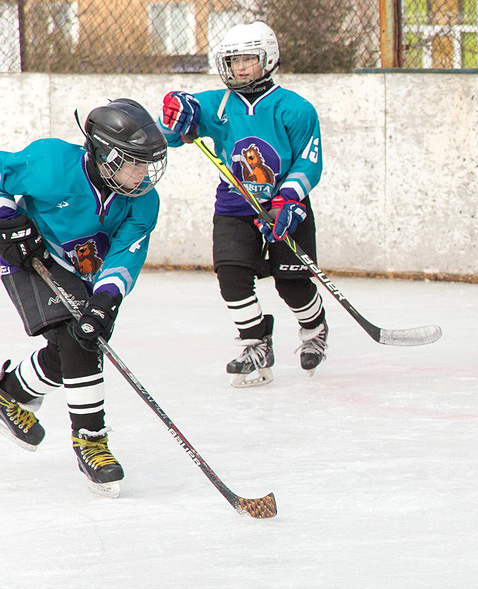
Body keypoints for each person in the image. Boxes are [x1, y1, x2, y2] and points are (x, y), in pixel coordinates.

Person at [0, 98, 167, 496]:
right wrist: (6, 220)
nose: (143, 174)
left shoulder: (143, 201)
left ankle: (10, 393)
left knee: (80, 342)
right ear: (107, 154)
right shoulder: (52, 161)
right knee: (76, 339)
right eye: (134, 162)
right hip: (29, 258)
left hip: (84, 275)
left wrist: (107, 300)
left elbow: (126, 255)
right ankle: (91, 440)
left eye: (148, 163)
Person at [158, 21, 327, 387]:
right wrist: (172, 114)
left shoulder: (296, 109)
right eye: (233, 61)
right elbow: (169, 134)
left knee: (291, 284)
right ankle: (255, 345)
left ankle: (314, 329)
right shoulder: (214, 105)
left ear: (268, 60)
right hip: (235, 203)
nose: (239, 68)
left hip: (285, 205)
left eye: (247, 59)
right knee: (232, 274)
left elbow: (310, 162)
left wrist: (290, 198)